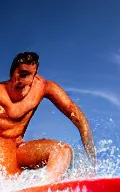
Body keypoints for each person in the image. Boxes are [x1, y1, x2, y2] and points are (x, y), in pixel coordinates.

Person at [0, 52, 96, 183]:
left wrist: (92, 158)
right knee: (8, 177)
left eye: (24, 75)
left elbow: (75, 114)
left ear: (35, 75)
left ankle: (46, 190)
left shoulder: (43, 87)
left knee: (62, 151)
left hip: (18, 149)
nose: (18, 81)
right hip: (2, 150)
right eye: (15, 75)